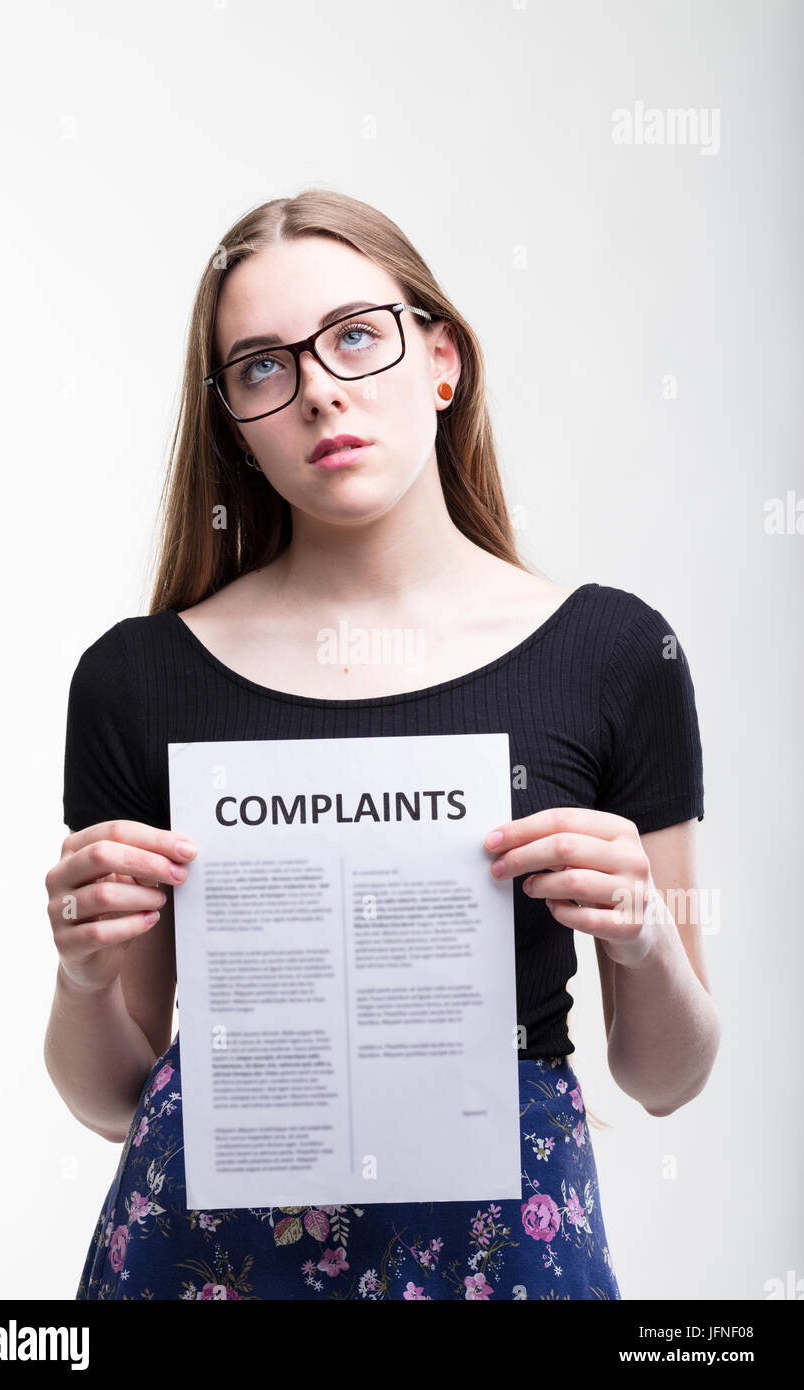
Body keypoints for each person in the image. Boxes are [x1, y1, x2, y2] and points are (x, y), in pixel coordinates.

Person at [44, 188, 720, 1301]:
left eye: (356, 336)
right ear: (233, 421)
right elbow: (116, 1095)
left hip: (500, 1261)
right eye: (263, 365)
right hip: (204, 1261)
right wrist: (78, 977)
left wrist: (644, 931)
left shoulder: (613, 652)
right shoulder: (135, 678)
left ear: (440, 359)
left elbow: (665, 1077)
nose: (319, 390)